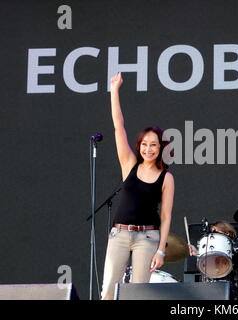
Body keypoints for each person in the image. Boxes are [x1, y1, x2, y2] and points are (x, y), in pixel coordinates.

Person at [100, 72, 175, 300]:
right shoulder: (129, 164)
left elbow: (165, 216)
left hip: (148, 238)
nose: (148, 149)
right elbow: (118, 126)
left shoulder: (166, 177)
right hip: (120, 234)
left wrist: (161, 250)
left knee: (138, 294)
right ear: (139, 145)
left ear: (160, 148)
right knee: (109, 292)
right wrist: (115, 91)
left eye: (153, 145)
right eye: (144, 144)